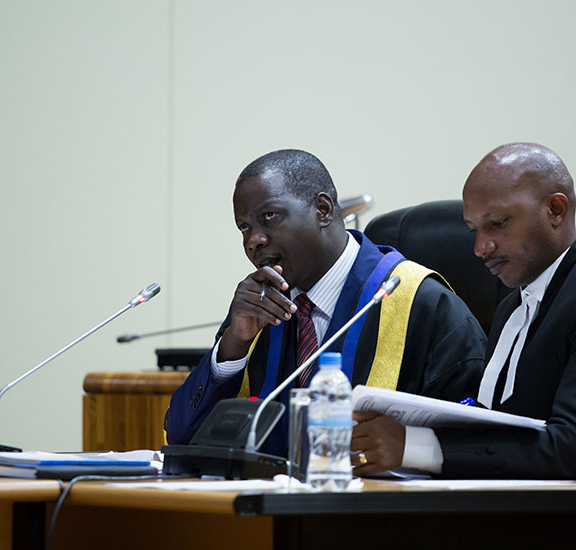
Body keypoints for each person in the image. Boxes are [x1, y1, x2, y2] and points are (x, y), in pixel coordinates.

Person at [351, 142, 576, 487]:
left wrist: (418, 446)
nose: (480, 248)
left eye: (497, 224)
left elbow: (575, 448)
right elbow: (500, 431)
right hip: (524, 510)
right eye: (474, 230)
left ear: (555, 210)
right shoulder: (513, 303)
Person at [165, 149, 487, 455]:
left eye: (269, 217)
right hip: (267, 505)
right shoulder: (257, 308)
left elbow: (475, 444)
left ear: (323, 210)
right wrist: (233, 344)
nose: (254, 240)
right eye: (245, 227)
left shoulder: (424, 304)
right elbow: (181, 435)